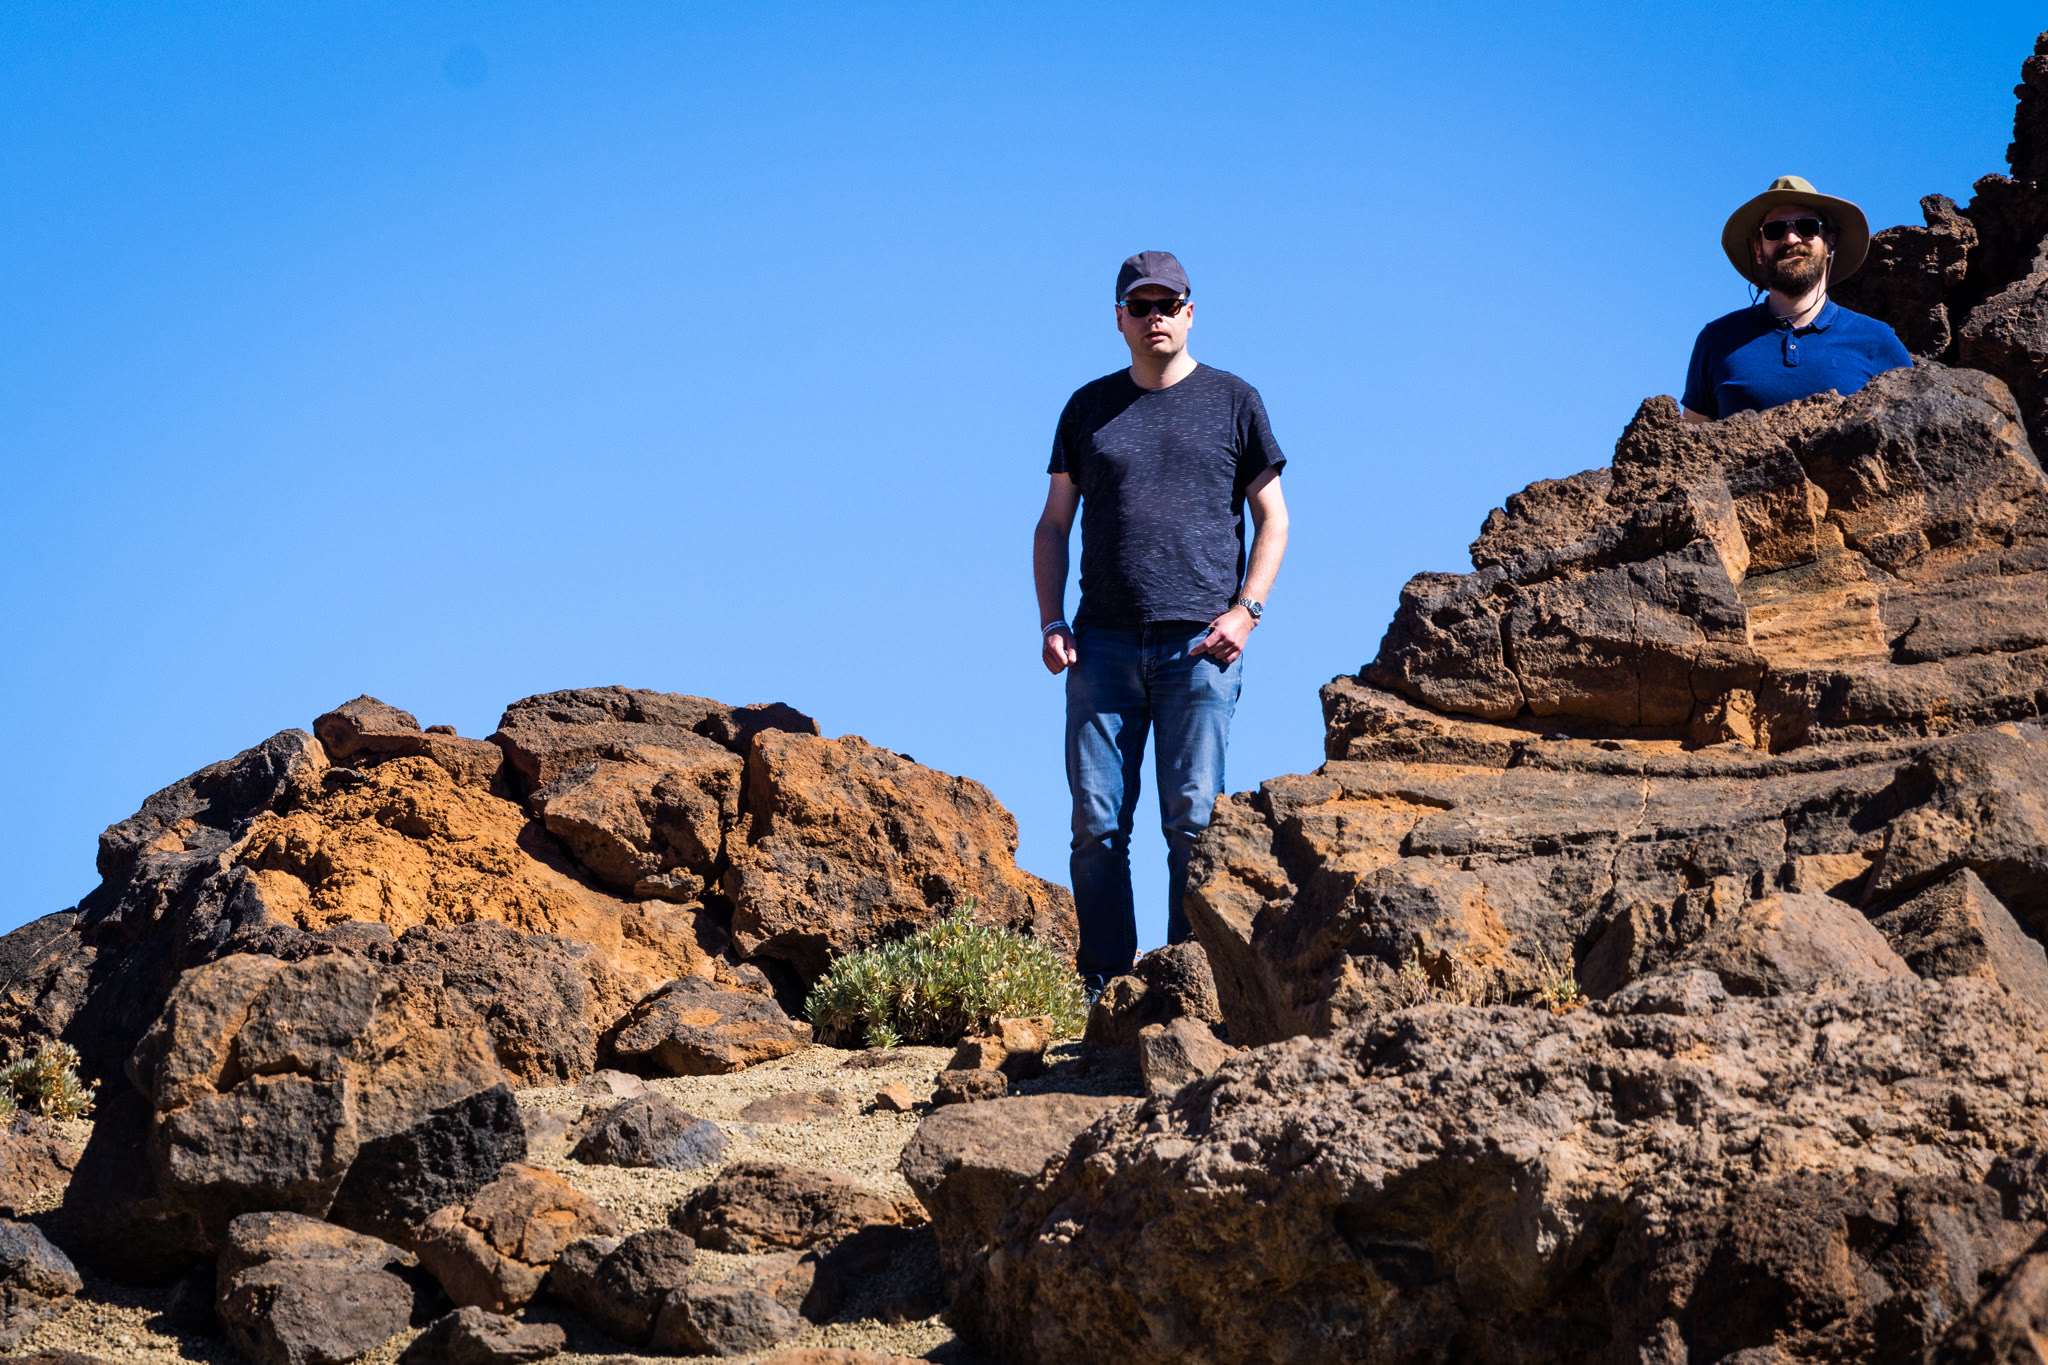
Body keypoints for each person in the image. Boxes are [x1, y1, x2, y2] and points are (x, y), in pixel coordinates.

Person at [1031, 250, 1290, 991]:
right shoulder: (1087, 408)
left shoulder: (1235, 401)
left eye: (1167, 305)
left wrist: (1248, 611)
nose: (1155, 318)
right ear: (1119, 319)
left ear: (1190, 312)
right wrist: (1051, 621)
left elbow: (1273, 518)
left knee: (1193, 820)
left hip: (1201, 646)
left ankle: (1186, 985)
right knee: (1096, 825)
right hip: (1101, 645)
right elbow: (1053, 524)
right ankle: (1103, 988)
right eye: (1140, 307)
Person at [1682, 175, 1911, 424]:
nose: (1791, 239)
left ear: (1830, 241)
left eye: (1807, 226)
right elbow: (1691, 439)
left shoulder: (1876, 340)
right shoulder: (1717, 340)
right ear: (1758, 250)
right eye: (1774, 230)